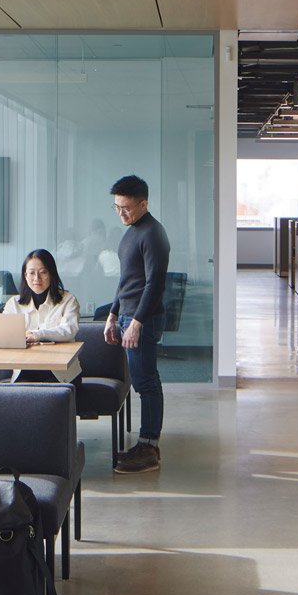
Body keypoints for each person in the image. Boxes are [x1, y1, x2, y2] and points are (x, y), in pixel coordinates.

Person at [108, 175, 172, 474]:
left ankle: (149, 448)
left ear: (143, 203)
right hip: (127, 315)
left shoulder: (152, 234)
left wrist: (136, 322)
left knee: (146, 382)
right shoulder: (132, 231)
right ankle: (147, 443)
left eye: (126, 207)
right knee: (142, 379)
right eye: (116, 207)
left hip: (141, 319)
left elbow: (154, 283)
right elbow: (127, 280)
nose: (121, 213)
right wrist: (112, 313)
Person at [4, 247, 80, 383]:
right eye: (31, 273)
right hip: (25, 370)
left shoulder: (68, 300)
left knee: (48, 397)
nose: (36, 278)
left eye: (43, 272)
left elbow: (69, 331)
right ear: (25, 276)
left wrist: (37, 335)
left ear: (51, 274)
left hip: (61, 373)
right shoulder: (13, 304)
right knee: (19, 398)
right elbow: (4, 334)